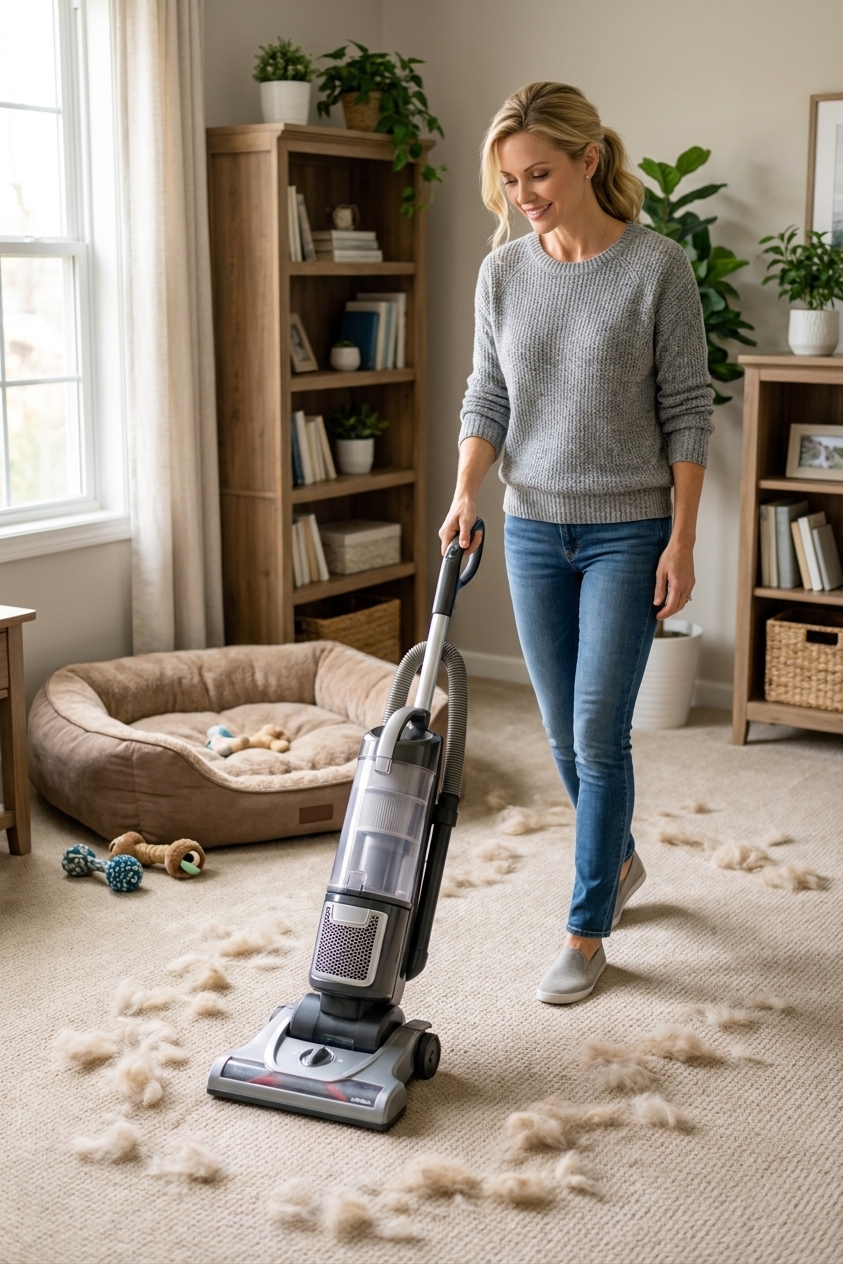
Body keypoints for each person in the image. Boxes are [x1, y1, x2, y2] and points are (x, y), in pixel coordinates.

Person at [440, 81, 713, 1005]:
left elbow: (686, 412)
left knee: (598, 735)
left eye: (540, 174)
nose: (524, 196)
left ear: (588, 160)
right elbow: (488, 396)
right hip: (529, 527)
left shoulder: (656, 267)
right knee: (562, 731)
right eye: (511, 179)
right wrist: (466, 489)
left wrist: (680, 541)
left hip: (627, 531)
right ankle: (621, 859)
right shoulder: (504, 275)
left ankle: (587, 928)